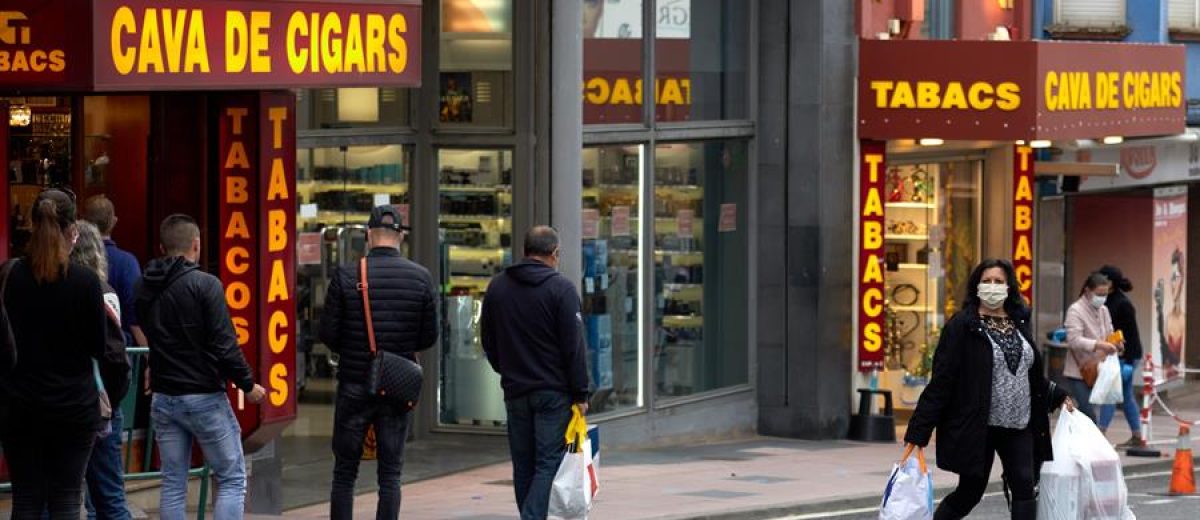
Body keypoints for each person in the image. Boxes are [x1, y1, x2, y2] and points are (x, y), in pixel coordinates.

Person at [904, 259, 1070, 520]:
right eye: (987, 281)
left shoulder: (1019, 322)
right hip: (978, 425)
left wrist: (1059, 395)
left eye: (999, 282)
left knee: (1025, 486)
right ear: (977, 286)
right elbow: (943, 380)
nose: (993, 287)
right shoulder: (962, 325)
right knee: (971, 491)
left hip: (1019, 424)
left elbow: (1029, 372)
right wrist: (919, 430)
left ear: (1009, 287)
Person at [0, 189, 130, 519]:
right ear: (74, 231)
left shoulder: (10, 275)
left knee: (26, 499)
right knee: (67, 499)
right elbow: (98, 349)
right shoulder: (86, 282)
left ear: (32, 226)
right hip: (73, 408)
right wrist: (109, 401)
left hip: (20, 406)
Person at [135, 214, 266, 520]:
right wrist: (248, 385)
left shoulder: (143, 286)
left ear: (161, 246)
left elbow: (150, 333)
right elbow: (225, 345)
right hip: (204, 396)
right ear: (196, 244)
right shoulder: (206, 285)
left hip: (165, 396)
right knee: (232, 478)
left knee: (172, 482)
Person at [318, 205, 437, 520]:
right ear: (400, 236)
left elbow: (327, 333)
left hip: (355, 382)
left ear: (369, 235)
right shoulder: (421, 277)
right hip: (397, 386)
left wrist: (355, 347)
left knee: (344, 472)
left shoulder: (347, 275)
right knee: (390, 474)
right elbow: (428, 338)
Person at [481, 226, 590, 520]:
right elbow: (574, 347)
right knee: (548, 463)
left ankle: (529, 514)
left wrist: (506, 370)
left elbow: (488, 341)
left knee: (524, 465)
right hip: (553, 393)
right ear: (554, 254)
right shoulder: (562, 289)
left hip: (515, 390)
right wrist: (581, 392)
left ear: (525, 251)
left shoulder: (498, 287)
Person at [70, 219, 133, 520]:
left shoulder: (59, 288)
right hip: (102, 402)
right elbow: (115, 357)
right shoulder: (104, 291)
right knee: (108, 495)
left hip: (65, 399)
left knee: (61, 495)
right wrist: (114, 398)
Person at [82, 194, 148, 347]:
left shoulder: (72, 260)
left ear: (83, 221)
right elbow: (134, 314)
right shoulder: (127, 262)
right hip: (119, 349)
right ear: (114, 221)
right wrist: (147, 354)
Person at [1097, 265, 1145, 448]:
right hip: (1118, 355)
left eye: (1104, 280)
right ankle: (1137, 436)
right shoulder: (1107, 300)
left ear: (1112, 283)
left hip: (1126, 356)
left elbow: (1130, 335)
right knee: (1125, 395)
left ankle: (1101, 435)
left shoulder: (1122, 304)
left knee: (1110, 393)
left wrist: (1130, 362)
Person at [1064, 272, 1121, 423]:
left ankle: (1082, 443)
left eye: (1105, 294)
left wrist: (1116, 343)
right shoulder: (1075, 310)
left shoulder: (1104, 310)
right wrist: (1099, 344)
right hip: (1079, 371)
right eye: (1099, 294)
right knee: (1088, 413)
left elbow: (1109, 332)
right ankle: (1084, 443)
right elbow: (1074, 340)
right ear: (1088, 291)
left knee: (1090, 413)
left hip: (1098, 369)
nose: (1102, 298)